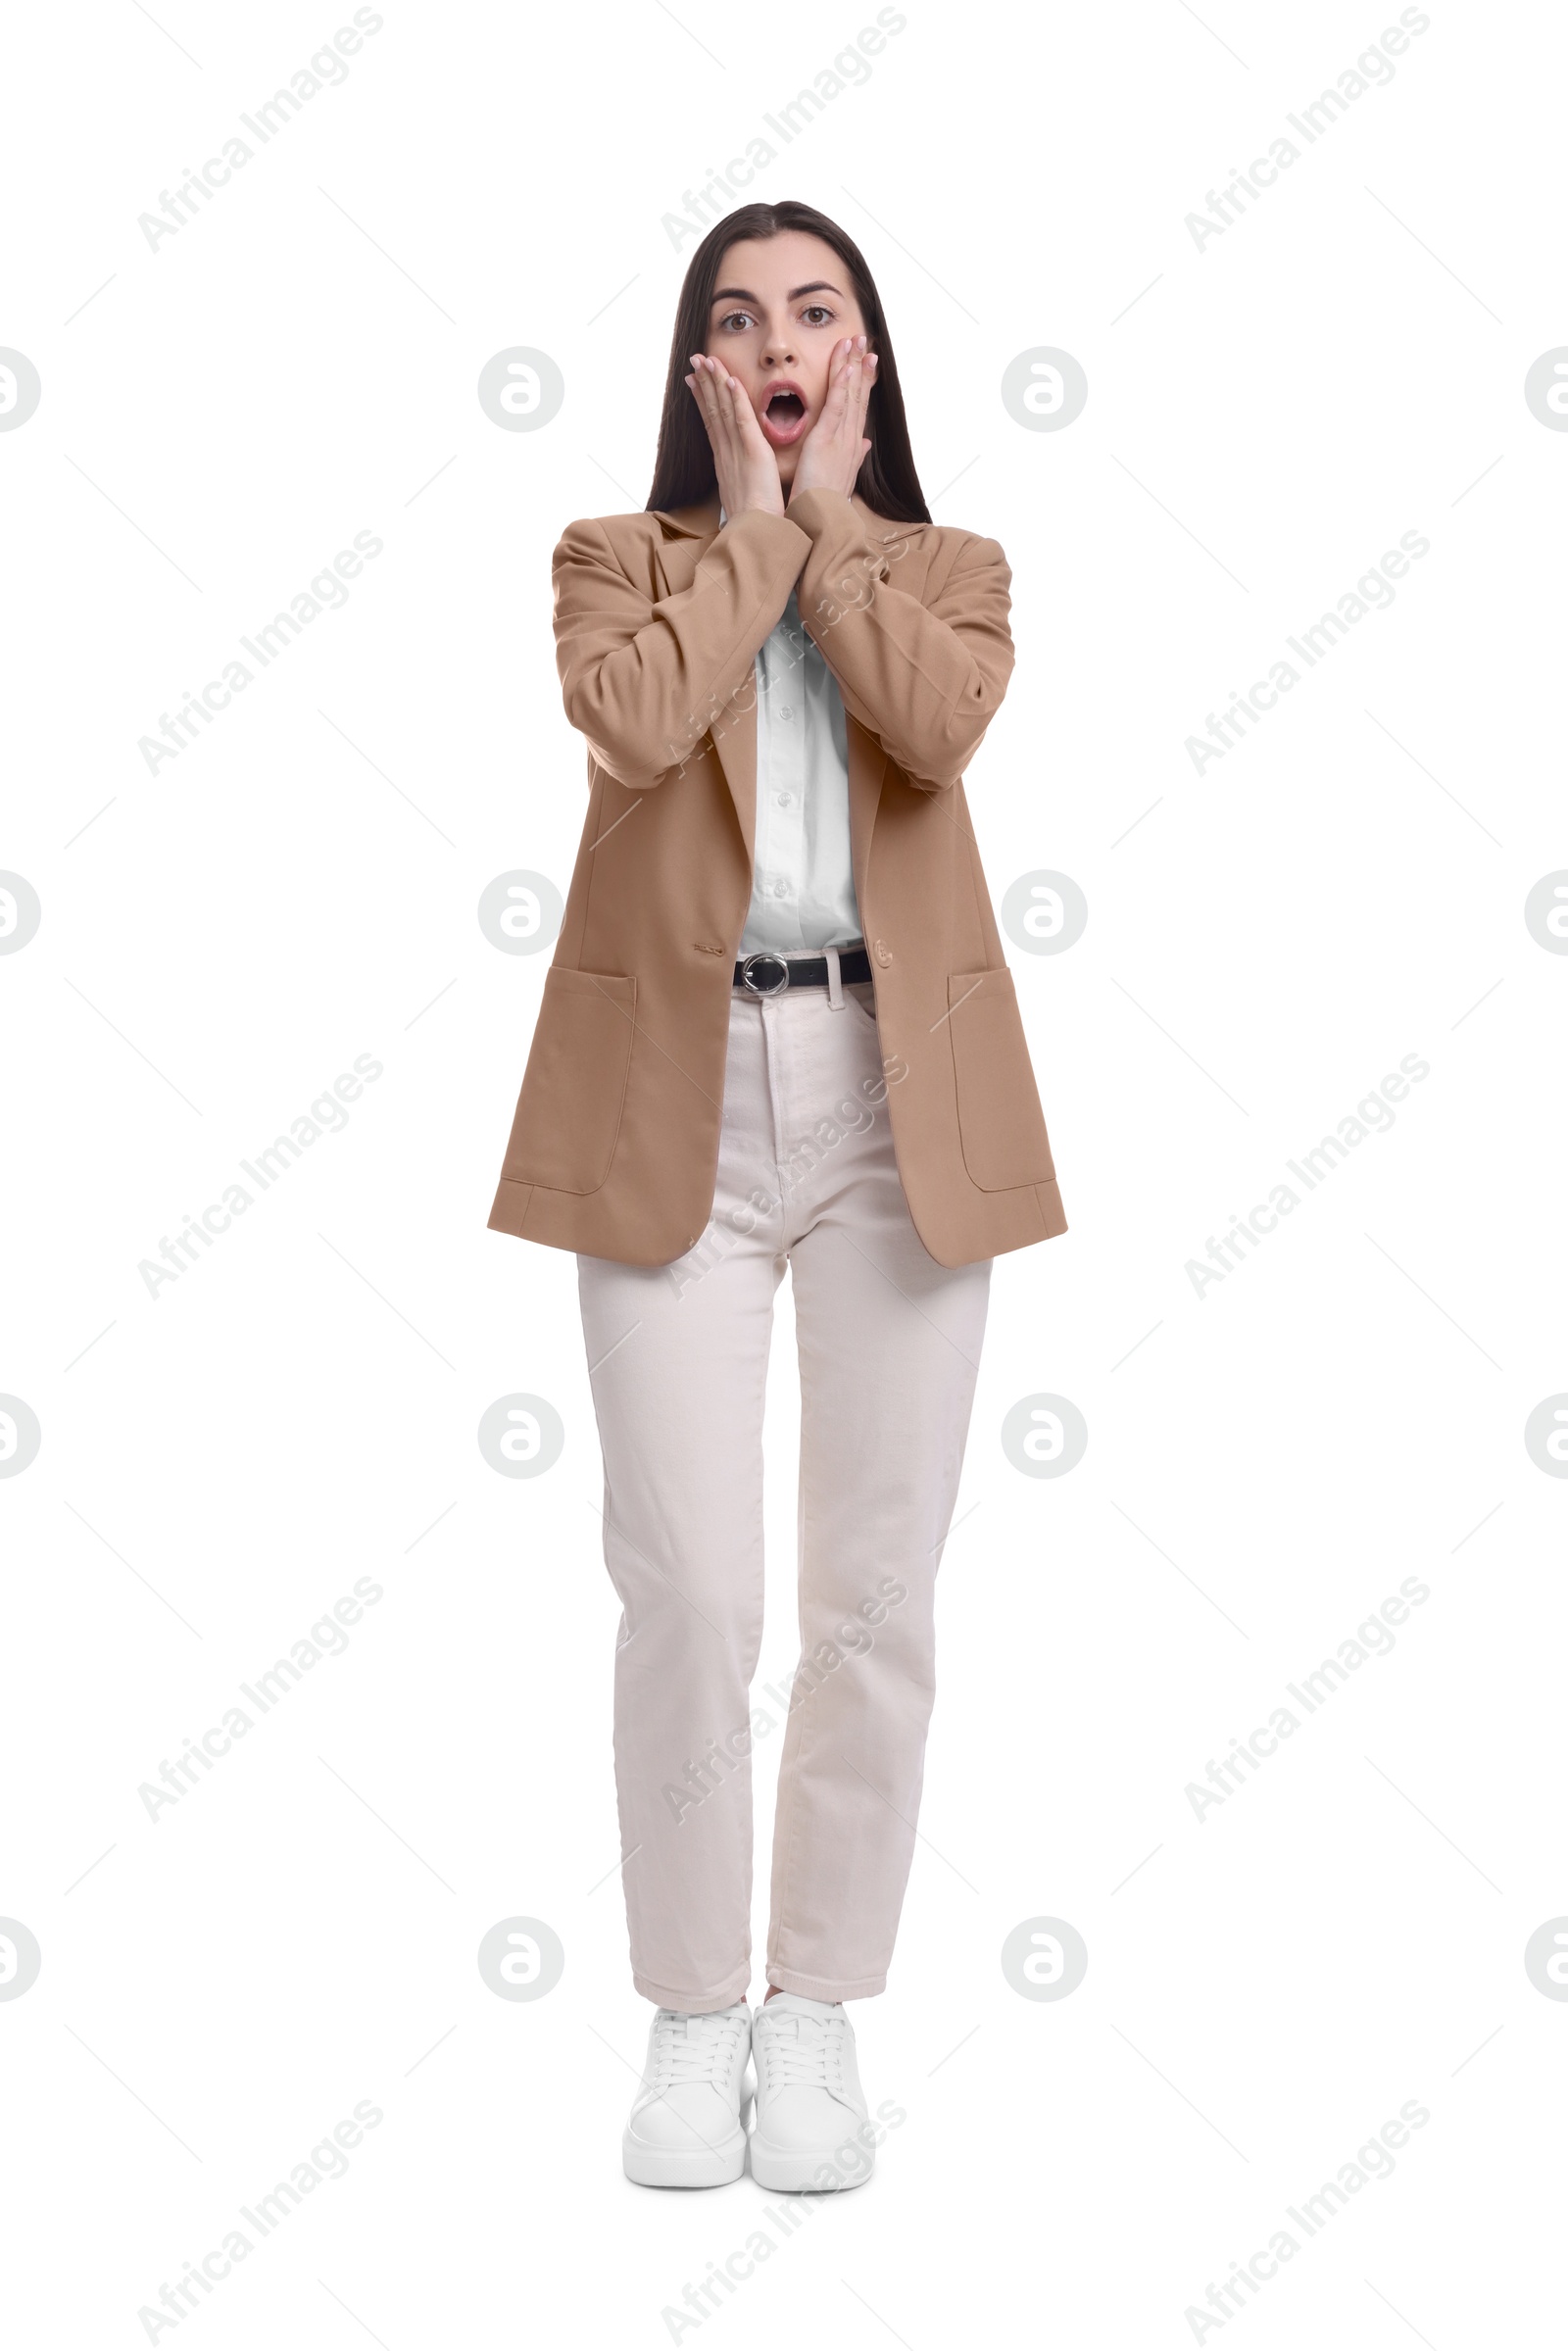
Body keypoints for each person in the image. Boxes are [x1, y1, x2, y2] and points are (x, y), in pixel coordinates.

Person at [487, 199, 1066, 2189]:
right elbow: (636, 722)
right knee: (688, 1589)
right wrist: (745, 532)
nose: (776, 334)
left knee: (873, 1593)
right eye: (737, 317)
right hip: (670, 1099)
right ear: (698, 368)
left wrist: (821, 527)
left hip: (894, 1091)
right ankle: (688, 2015)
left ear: (864, 359)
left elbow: (936, 719)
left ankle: (813, 2009)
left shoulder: (952, 571)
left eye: (812, 310)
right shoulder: (616, 564)